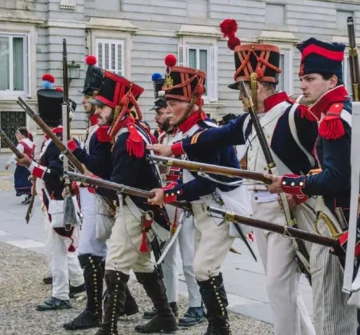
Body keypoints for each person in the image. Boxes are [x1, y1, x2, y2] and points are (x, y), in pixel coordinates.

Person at [147, 21, 318, 335]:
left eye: (242, 87)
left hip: (290, 211)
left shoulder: (295, 115)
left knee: (282, 288)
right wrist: (173, 147)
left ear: (259, 85)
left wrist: (300, 188)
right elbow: (216, 137)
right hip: (262, 213)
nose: (240, 95)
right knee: (281, 288)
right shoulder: (251, 119)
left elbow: (319, 161)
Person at [148, 54, 253, 335]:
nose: (169, 110)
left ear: (193, 102)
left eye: (174, 104)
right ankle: (218, 327)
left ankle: (220, 328)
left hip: (220, 208)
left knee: (204, 269)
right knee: (202, 269)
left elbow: (207, 183)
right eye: (167, 104)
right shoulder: (186, 132)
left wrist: (169, 193)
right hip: (201, 211)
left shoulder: (204, 132)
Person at [265, 37, 357, 335]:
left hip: (338, 223)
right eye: (302, 78)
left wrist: (291, 183)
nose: (302, 85)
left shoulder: (334, 118)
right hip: (348, 218)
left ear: (332, 80)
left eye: (310, 78)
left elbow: (336, 178)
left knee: (331, 313)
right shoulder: (346, 110)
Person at [88, 71, 177, 335]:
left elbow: (121, 184)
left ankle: (108, 328)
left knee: (114, 264)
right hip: (138, 207)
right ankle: (166, 317)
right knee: (142, 264)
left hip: (135, 209)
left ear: (116, 107)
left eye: (103, 107)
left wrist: (91, 180)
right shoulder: (130, 131)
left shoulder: (129, 136)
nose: (98, 113)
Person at [63, 56, 138, 330]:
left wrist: (73, 148)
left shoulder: (104, 131)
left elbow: (97, 165)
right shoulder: (99, 128)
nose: (86, 103)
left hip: (100, 195)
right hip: (92, 193)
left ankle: (95, 311)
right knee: (102, 252)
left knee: (89, 252)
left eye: (90, 98)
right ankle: (126, 302)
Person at [143, 75, 206, 327]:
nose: (161, 116)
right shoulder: (163, 138)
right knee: (166, 258)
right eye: (161, 111)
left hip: (186, 204)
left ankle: (196, 304)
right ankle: (168, 304)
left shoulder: (187, 135)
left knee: (190, 258)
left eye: (164, 112)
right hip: (167, 203)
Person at [16, 88, 85, 311]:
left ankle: (61, 294)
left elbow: (56, 176)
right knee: (64, 247)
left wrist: (32, 166)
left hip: (58, 201)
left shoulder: (56, 141)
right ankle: (77, 283)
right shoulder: (54, 139)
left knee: (57, 250)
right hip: (54, 201)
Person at [5, 127, 35, 204]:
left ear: (22, 135)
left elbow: (16, 154)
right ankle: (30, 195)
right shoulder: (31, 142)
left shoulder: (22, 144)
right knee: (29, 180)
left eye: (17, 133)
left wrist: (9, 163)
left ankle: (29, 195)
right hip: (31, 164)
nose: (17, 135)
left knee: (22, 180)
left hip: (23, 165)